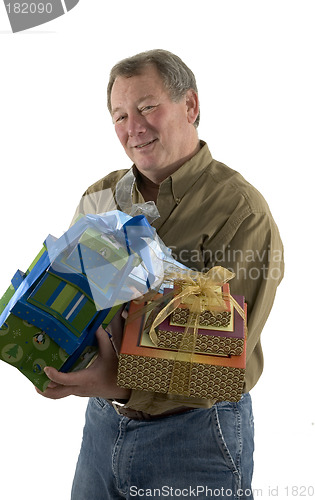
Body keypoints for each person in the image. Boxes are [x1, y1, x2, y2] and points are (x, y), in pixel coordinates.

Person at [37, 49, 284, 499]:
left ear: (190, 106)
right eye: (120, 116)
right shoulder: (99, 198)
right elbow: (78, 300)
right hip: (102, 427)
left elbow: (224, 360)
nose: (134, 127)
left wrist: (122, 382)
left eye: (148, 107)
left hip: (196, 436)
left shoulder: (240, 212)